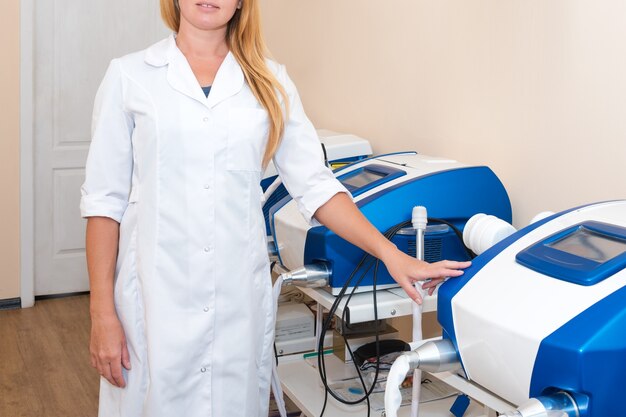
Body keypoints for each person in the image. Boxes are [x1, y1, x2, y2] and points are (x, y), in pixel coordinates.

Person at [81, 0, 471, 416]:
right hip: (153, 305)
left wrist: (390, 254)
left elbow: (317, 187)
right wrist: (102, 311)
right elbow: (105, 203)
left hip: (236, 307)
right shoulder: (130, 76)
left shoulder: (269, 80)